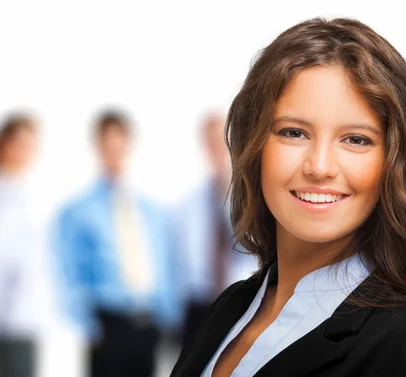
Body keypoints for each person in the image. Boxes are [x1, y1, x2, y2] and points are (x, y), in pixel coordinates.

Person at [171, 18, 406, 377]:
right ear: (254, 145)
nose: (320, 166)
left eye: (356, 139)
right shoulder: (229, 308)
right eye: (293, 132)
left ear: (394, 163)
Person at [54, 110, 179, 377]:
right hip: (108, 326)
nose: (115, 152)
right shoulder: (78, 211)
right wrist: (88, 326)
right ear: (98, 146)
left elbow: (163, 264)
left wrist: (168, 316)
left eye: (120, 144)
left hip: (148, 325)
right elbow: (67, 271)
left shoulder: (150, 210)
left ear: (129, 145)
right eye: (108, 145)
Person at [173, 112, 257, 347]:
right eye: (210, 142)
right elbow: (180, 262)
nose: (216, 149)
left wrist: (228, 193)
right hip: (198, 306)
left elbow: (248, 246)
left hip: (239, 302)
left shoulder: (249, 198)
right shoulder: (190, 204)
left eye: (221, 142)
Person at [0, 112, 45, 377]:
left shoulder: (33, 195)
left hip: (23, 321)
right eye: (20, 144)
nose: (26, 152)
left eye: (31, 145)